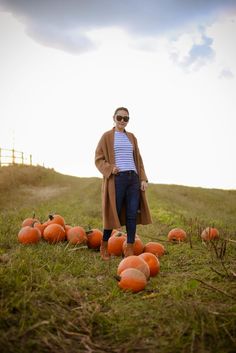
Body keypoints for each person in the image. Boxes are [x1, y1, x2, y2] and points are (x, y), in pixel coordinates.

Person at [95, 107, 152, 260]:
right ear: (113, 118)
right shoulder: (106, 136)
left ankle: (130, 248)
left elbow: (139, 160)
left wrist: (143, 179)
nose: (122, 121)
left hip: (133, 178)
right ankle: (104, 245)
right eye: (119, 117)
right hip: (117, 179)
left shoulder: (132, 137)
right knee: (112, 212)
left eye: (125, 118)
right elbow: (98, 158)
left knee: (132, 214)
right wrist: (109, 168)